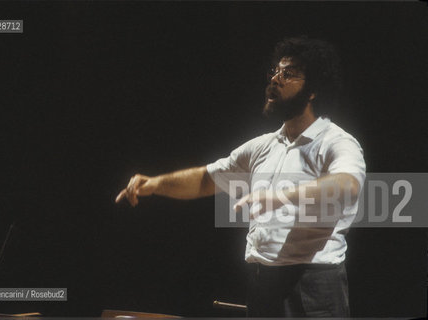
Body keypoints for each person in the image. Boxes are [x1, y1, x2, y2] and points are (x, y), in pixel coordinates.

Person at [115, 36, 366, 317]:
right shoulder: (263, 145)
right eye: (275, 72)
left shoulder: (335, 141)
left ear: (313, 90)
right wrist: (154, 184)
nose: (276, 79)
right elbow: (207, 179)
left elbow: (347, 184)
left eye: (289, 74)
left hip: (314, 284)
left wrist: (280, 197)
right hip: (263, 283)